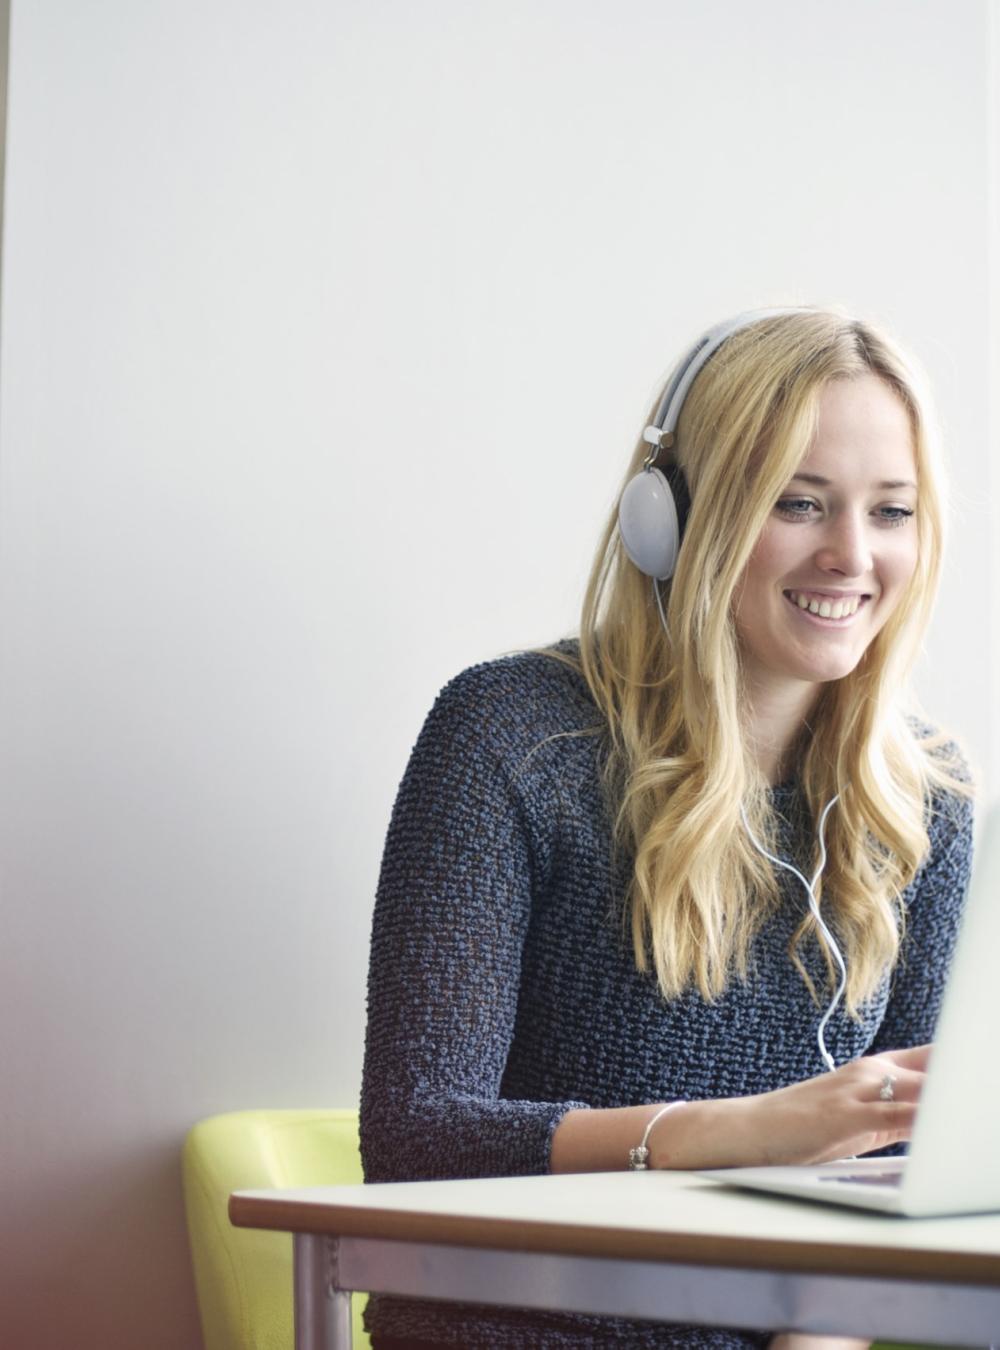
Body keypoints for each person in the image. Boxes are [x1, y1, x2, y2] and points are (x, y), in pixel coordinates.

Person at [359, 308, 974, 1350]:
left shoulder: (925, 806)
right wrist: (744, 1133)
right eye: (798, 502)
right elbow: (416, 1133)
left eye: (891, 512)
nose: (849, 555)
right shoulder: (511, 737)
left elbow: (899, 1188)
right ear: (672, 518)